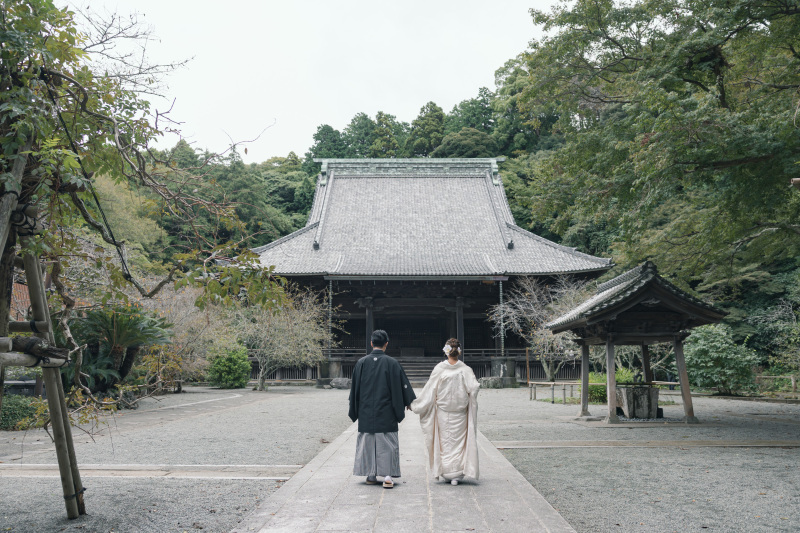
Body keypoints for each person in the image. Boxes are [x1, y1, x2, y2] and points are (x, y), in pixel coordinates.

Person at [349, 329, 416, 488]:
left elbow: (355, 390)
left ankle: (370, 475)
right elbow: (402, 386)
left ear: (371, 343)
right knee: (387, 442)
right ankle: (387, 477)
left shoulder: (361, 363)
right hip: (386, 411)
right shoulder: (392, 363)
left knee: (367, 441)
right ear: (386, 344)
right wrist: (408, 401)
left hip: (366, 410)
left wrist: (355, 407)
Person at [411, 338, 480, 485]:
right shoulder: (465, 369)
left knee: (445, 443)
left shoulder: (440, 369)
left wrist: (415, 405)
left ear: (446, 352)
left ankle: (447, 472)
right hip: (460, 412)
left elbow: (430, 390)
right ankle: (457, 473)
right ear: (459, 352)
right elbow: (474, 388)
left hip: (444, 412)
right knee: (459, 443)